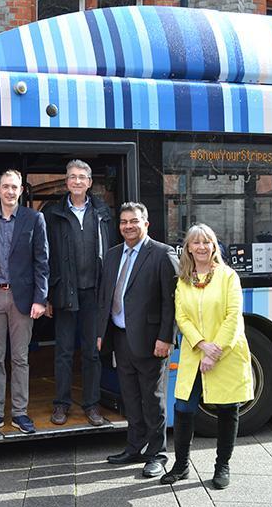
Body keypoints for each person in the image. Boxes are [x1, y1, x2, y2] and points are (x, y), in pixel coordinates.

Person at [161, 223, 254, 489]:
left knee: (227, 409)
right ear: (188, 248)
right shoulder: (183, 280)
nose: (201, 247)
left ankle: (222, 466)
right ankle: (181, 466)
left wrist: (215, 351)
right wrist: (201, 344)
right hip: (194, 353)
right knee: (183, 408)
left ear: (214, 246)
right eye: (196, 242)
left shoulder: (228, 276)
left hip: (226, 353)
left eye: (207, 242)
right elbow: (182, 316)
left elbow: (233, 317)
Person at [97, 202, 178, 478]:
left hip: (151, 340)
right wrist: (100, 333)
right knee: (129, 396)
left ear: (146, 224)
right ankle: (135, 446)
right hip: (120, 336)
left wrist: (166, 338)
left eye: (133, 221)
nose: (128, 226)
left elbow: (172, 301)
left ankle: (158, 454)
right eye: (123, 222)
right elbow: (104, 298)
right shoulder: (111, 255)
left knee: (152, 399)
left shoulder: (162, 254)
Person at [42, 159, 115, 426]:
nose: (76, 181)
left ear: (89, 182)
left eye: (81, 177)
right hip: (64, 292)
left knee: (92, 352)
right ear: (66, 181)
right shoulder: (53, 213)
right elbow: (45, 256)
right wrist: (47, 295)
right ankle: (61, 404)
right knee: (62, 351)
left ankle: (92, 405)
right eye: (72, 177)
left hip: (94, 294)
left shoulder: (103, 212)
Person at [0, 170, 48, 435]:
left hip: (23, 298)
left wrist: (40, 299)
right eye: (5, 186)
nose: (9, 191)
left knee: (20, 358)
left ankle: (20, 412)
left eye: (14, 187)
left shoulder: (34, 218)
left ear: (21, 190)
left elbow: (43, 261)